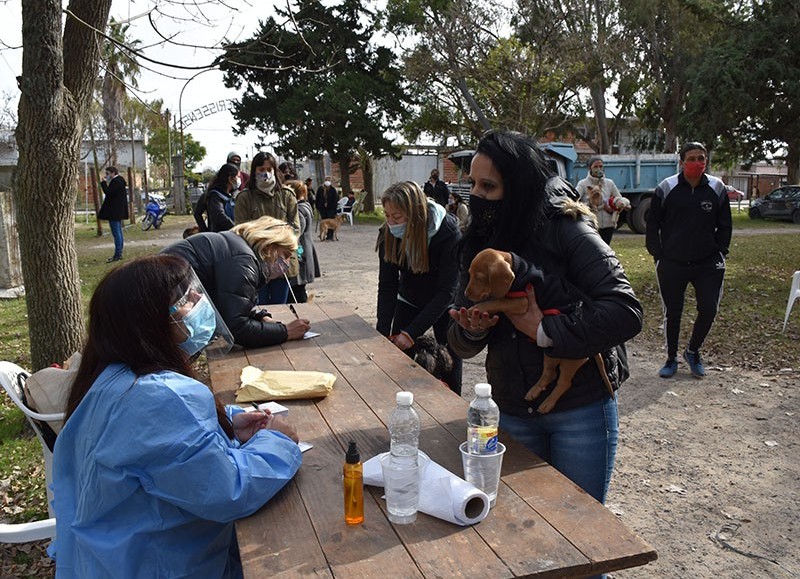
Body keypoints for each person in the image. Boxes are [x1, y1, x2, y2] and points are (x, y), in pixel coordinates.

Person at [51, 254, 302, 577]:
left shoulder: (109, 379)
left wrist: (227, 422)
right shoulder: (158, 399)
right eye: (185, 299)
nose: (199, 300)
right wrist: (276, 440)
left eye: (195, 290)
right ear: (150, 323)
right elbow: (229, 490)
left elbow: (166, 449)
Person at [447, 130, 642, 506]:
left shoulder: (566, 226)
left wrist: (545, 331)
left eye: (490, 185)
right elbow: (457, 336)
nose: (478, 196)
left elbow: (626, 311)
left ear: (519, 186)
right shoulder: (478, 238)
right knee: (524, 534)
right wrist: (471, 330)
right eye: (473, 183)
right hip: (511, 407)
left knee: (584, 540)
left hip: (580, 408)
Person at [646, 141, 732, 379]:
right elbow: (653, 224)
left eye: (701, 158)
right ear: (681, 161)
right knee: (673, 312)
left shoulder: (716, 187)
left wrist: (720, 251)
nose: (697, 163)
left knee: (709, 309)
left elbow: (725, 224)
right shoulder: (667, 187)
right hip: (672, 262)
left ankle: (692, 351)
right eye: (692, 158)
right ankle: (671, 358)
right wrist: (657, 253)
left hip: (707, 263)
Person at [161, 215, 311, 347]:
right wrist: (286, 332)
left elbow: (229, 301)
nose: (285, 263)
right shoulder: (243, 261)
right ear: (270, 246)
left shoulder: (236, 247)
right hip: (162, 306)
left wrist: (257, 317)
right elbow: (236, 328)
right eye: (284, 254)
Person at [376, 181, 463, 394]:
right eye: (387, 215)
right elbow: (388, 285)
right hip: (409, 298)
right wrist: (382, 332)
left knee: (449, 361)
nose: (391, 222)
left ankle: (452, 409)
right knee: (398, 364)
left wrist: (412, 332)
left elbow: (447, 290)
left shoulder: (448, 231)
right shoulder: (387, 233)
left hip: (445, 303)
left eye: (397, 217)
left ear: (415, 214)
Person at [235, 151, 301, 305]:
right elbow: (239, 231)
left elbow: (296, 228)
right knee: (260, 309)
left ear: (274, 171)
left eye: (269, 170)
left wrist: (279, 247)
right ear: (254, 171)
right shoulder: (244, 198)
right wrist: (264, 246)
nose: (265, 173)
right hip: (256, 263)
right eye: (261, 170)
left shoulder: (287, 195)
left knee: (281, 308)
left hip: (283, 264)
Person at [285, 180, 321, 303]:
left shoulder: (299, 210)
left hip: (300, 253)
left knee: (297, 290)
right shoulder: (306, 206)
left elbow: (296, 232)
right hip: (305, 250)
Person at [576, 156, 623, 244]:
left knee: (606, 248)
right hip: (590, 225)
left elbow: (619, 199)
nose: (599, 169)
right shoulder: (583, 184)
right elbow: (574, 201)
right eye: (595, 167)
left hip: (608, 225)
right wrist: (590, 204)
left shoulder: (609, 183)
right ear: (589, 168)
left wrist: (613, 207)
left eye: (601, 166)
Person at [98, 166, 128, 263]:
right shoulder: (120, 181)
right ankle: (119, 253)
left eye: (108, 174)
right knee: (118, 232)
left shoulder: (116, 182)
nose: (107, 176)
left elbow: (108, 192)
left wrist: (103, 183)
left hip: (114, 211)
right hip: (117, 211)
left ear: (113, 173)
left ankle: (118, 254)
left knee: (116, 233)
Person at [199, 164, 239, 233]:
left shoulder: (231, 195)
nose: (238, 180)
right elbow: (219, 216)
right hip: (221, 236)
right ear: (230, 179)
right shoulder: (215, 196)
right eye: (237, 177)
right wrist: (235, 228)